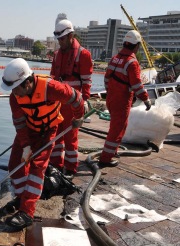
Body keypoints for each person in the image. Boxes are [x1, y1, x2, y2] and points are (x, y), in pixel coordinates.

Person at [1, 58, 84, 229]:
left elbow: (76, 98)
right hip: (29, 131)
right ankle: (22, 197)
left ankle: (27, 212)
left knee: (37, 169)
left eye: (16, 88)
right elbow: (19, 123)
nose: (14, 93)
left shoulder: (51, 88)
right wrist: (25, 145)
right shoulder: (14, 97)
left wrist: (78, 117)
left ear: (28, 82)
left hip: (48, 131)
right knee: (15, 166)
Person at [99, 30, 151, 168]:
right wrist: (146, 99)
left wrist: (110, 93)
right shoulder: (132, 62)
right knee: (117, 130)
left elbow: (106, 79)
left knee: (116, 127)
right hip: (122, 101)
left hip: (111, 99)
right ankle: (106, 158)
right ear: (136, 46)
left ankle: (112, 152)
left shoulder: (114, 58)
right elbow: (136, 85)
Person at [49, 19, 93, 179]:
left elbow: (87, 81)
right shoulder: (56, 55)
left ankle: (70, 168)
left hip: (73, 104)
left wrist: (86, 100)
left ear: (70, 35)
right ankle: (54, 165)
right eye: (58, 39)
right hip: (57, 103)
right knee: (55, 136)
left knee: (71, 138)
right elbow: (52, 79)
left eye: (62, 39)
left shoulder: (83, 54)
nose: (60, 42)